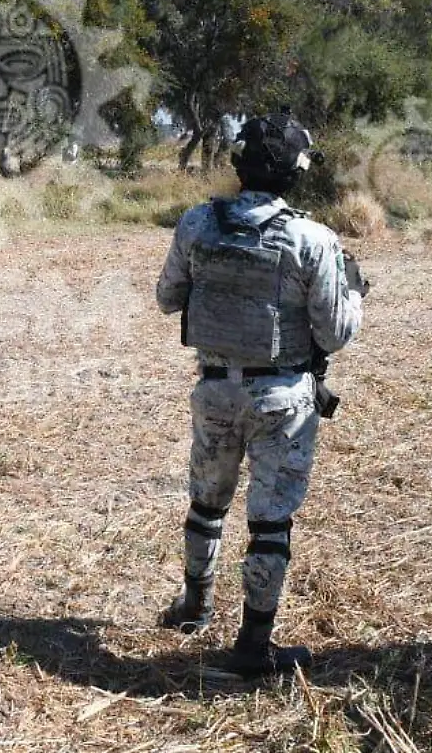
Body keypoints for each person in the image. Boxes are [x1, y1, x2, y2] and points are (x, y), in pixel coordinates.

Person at [154, 112, 366, 677]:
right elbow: (336, 333)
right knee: (270, 522)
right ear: (296, 172)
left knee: (206, 503)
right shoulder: (312, 238)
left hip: (215, 389)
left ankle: (194, 607)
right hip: (284, 399)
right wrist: (355, 291)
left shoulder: (197, 224)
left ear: (238, 163)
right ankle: (252, 645)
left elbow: (168, 298)